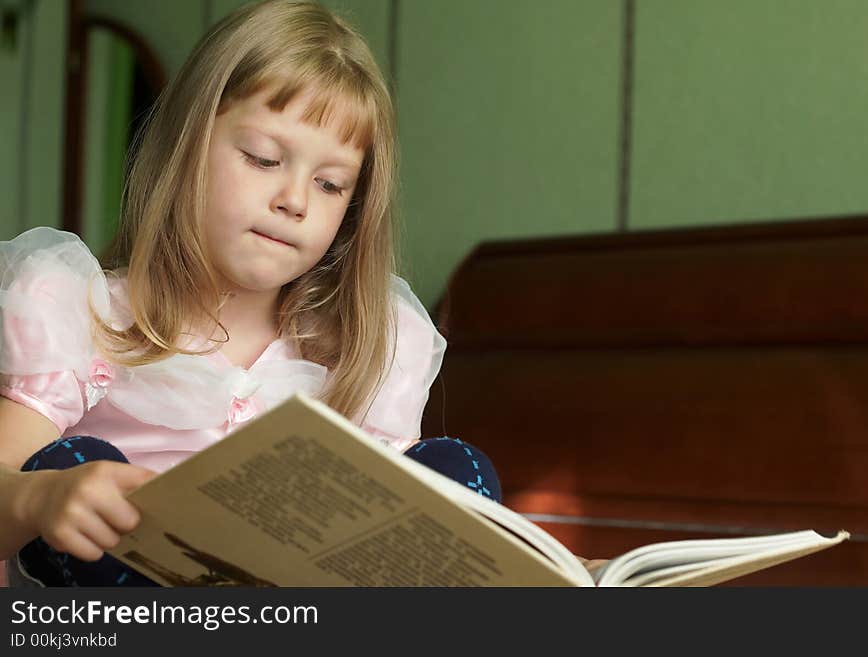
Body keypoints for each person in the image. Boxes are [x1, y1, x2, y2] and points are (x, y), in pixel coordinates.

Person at [0, 0, 501, 587]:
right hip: (138, 600)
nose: (296, 200)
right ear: (187, 145)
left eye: (330, 183)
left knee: (456, 474)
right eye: (264, 159)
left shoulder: (369, 344)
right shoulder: (79, 311)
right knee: (73, 464)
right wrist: (40, 498)